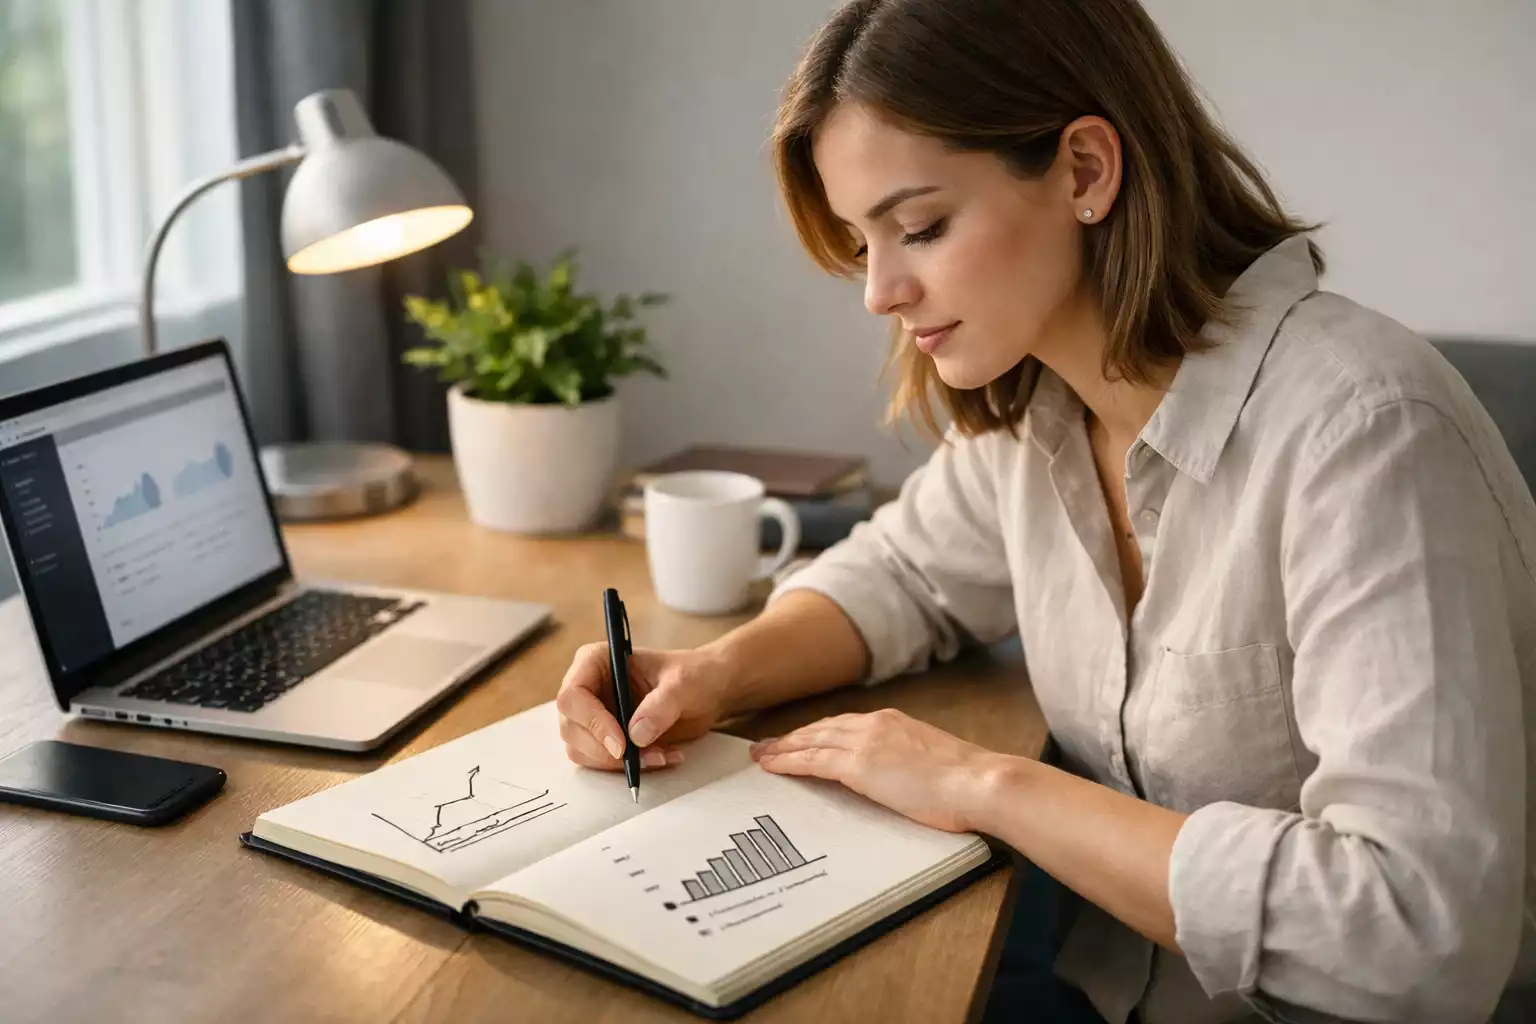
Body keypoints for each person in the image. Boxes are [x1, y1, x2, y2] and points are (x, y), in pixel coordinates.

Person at [555, 1, 1536, 1020]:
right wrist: (714, 672)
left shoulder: (1366, 432)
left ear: (1085, 172)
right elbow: (904, 575)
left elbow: (1417, 933)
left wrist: (984, 785)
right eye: (861, 242)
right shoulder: (1041, 408)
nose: (879, 292)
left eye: (920, 228)